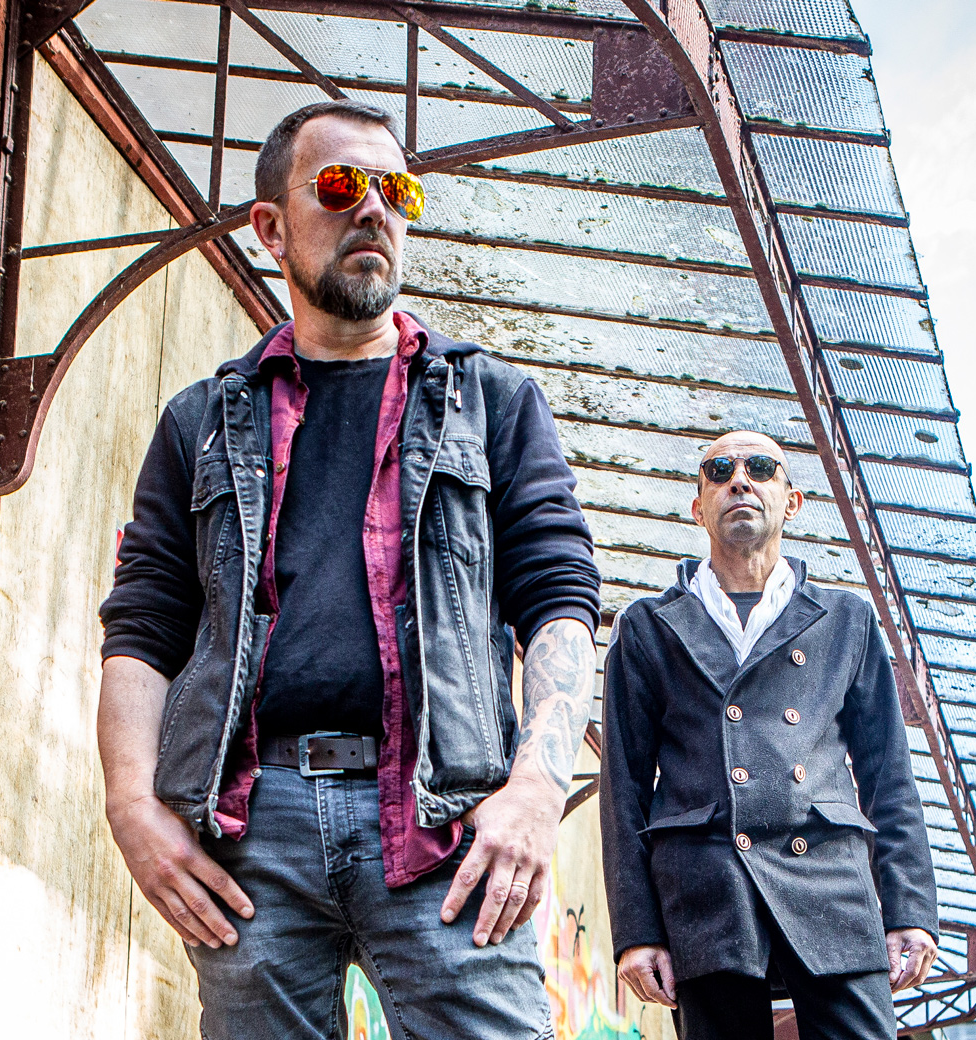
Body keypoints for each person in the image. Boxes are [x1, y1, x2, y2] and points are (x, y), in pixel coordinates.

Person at [96, 99, 603, 1039]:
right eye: (338, 186)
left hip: (444, 818)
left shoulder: (490, 402)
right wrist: (131, 805)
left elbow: (559, 598)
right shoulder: (201, 422)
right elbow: (144, 626)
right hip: (254, 828)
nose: (373, 208)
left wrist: (536, 788)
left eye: (396, 190)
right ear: (270, 226)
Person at [599, 430, 941, 1040]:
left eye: (760, 468)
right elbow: (622, 788)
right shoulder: (647, 627)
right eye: (719, 471)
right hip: (708, 889)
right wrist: (637, 931)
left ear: (792, 501)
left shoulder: (847, 619)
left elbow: (889, 775)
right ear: (698, 506)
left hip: (830, 883)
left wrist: (909, 909)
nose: (740, 480)